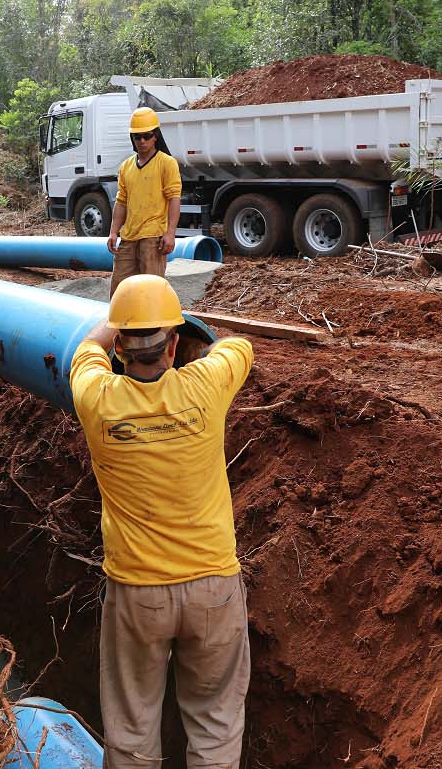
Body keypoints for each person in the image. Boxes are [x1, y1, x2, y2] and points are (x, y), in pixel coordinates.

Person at [69, 274, 254, 769]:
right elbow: (237, 346)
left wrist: (118, 321)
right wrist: (185, 332)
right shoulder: (208, 385)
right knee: (215, 725)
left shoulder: (95, 397)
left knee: (132, 730)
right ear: (174, 345)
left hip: (138, 594)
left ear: (122, 351)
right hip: (213, 587)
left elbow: (87, 346)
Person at [106, 108, 182, 295]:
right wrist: (113, 232)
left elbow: (174, 198)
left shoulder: (166, 163)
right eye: (137, 137)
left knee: (152, 291)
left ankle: (154, 324)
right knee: (120, 290)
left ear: (155, 136)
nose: (142, 141)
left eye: (146, 136)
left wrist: (170, 233)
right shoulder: (126, 167)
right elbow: (121, 202)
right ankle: (122, 323)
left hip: (153, 238)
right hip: (129, 237)